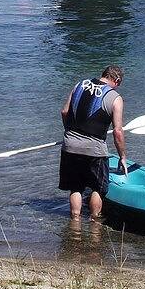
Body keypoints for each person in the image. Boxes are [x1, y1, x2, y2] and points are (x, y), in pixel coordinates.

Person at [59, 65, 125, 220]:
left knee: (75, 187)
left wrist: (69, 131)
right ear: (116, 80)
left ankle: (75, 222)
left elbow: (64, 112)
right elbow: (118, 132)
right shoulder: (115, 98)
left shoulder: (79, 85)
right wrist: (122, 156)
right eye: (119, 84)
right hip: (94, 150)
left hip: (69, 146)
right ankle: (95, 223)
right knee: (98, 188)